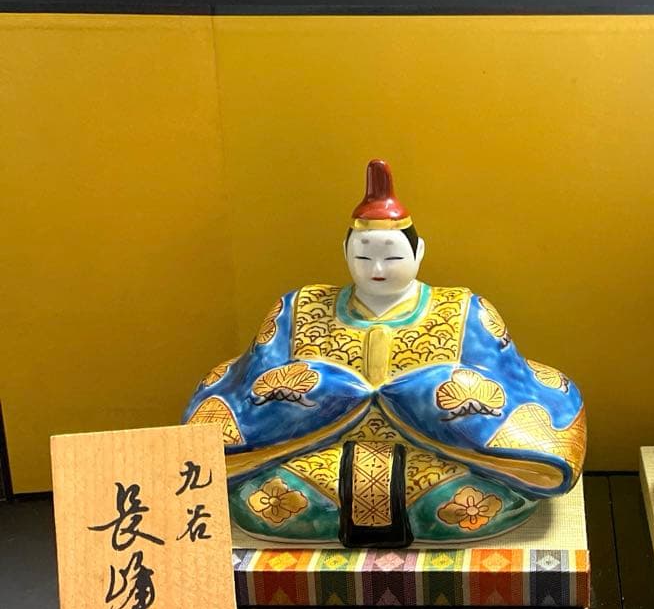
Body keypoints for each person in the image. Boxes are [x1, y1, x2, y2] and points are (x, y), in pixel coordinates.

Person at [185, 159, 585, 546]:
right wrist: (323, 395)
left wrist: (428, 398)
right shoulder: (297, 308)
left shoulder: (466, 311)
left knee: (473, 498)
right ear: (345, 252)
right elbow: (249, 389)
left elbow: (511, 388)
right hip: (310, 463)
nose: (377, 269)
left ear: (419, 252)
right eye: (363, 257)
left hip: (441, 465)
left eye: (392, 257)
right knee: (264, 496)